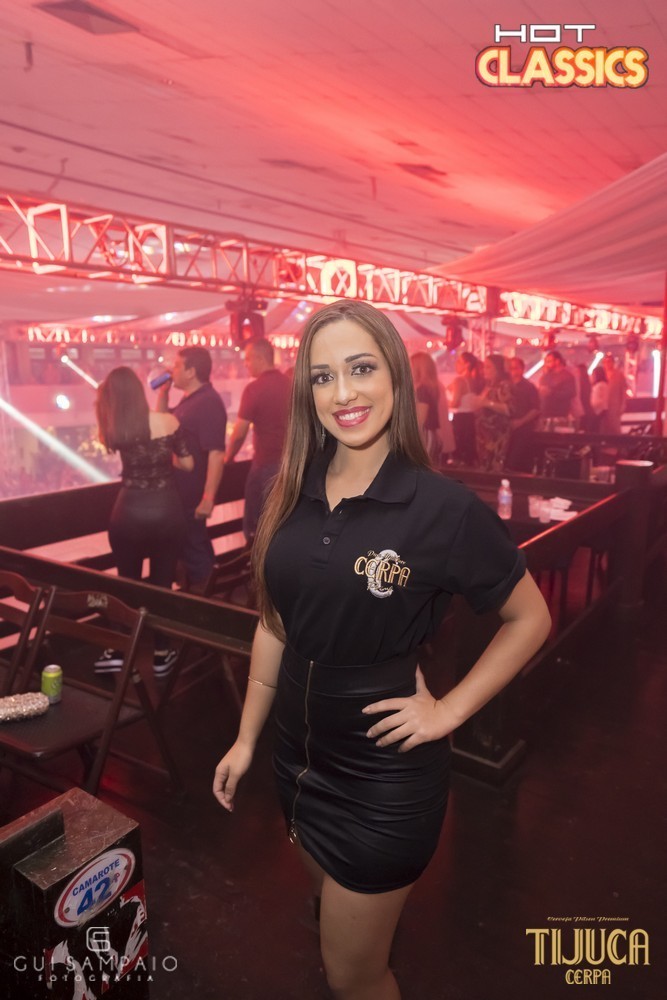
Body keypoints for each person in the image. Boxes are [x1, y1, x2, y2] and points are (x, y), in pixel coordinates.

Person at [213, 301, 551, 1000]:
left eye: (361, 368)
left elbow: (529, 617)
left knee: (354, 976)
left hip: (382, 777)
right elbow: (274, 625)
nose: (343, 392)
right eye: (323, 376)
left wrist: (447, 711)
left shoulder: (443, 509)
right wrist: (246, 740)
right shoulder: (289, 490)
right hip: (295, 759)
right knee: (328, 913)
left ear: (395, 376)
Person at [95, 366, 193, 675]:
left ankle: (121, 649)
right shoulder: (168, 421)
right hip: (166, 510)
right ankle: (162, 654)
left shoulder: (116, 426)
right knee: (161, 585)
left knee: (127, 583)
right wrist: (163, 456)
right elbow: (188, 464)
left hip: (128, 512)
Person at [157, 346, 227, 591]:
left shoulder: (208, 403)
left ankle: (208, 603)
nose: (172, 370)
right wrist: (163, 394)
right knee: (192, 547)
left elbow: (216, 453)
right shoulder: (190, 401)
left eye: (177, 366)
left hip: (193, 495)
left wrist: (208, 498)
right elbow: (162, 426)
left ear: (191, 371)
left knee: (195, 551)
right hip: (182, 494)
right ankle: (207, 597)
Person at [224, 338, 291, 542]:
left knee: (257, 528)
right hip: (291, 464)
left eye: (248, 359)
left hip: (266, 465)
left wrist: (228, 458)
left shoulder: (254, 389)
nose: (245, 364)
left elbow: (239, 434)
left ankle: (256, 560)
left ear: (260, 358)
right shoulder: (291, 385)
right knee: (285, 524)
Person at [409, 351, 455, 467]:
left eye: (410, 365)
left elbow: (420, 420)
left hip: (424, 435)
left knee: (421, 469)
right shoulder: (431, 387)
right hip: (430, 433)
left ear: (418, 368)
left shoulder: (422, 389)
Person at [475, 354, 513, 472]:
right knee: (484, 465)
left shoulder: (504, 385)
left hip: (496, 434)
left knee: (494, 466)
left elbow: (509, 409)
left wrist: (488, 403)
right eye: (484, 367)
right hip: (484, 433)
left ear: (498, 369)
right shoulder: (488, 385)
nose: (484, 370)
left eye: (488, 367)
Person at [447, 351, 483, 466]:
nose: (456, 364)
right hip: (471, 419)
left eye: (459, 362)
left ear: (467, 364)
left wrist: (443, 403)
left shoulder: (460, 380)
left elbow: (455, 403)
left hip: (461, 420)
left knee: (459, 450)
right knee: (469, 451)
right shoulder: (475, 381)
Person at [505, 357, 541, 472]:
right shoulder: (505, 386)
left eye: (516, 368)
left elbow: (535, 409)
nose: (513, 371)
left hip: (524, 429)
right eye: (511, 368)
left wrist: (521, 422)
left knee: (517, 461)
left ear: (522, 369)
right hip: (507, 428)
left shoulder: (529, 387)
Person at [538, 350, 576, 424]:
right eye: (546, 362)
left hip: (559, 414)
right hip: (545, 412)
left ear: (557, 361)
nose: (547, 364)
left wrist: (551, 392)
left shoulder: (567, 376)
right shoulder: (547, 375)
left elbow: (571, 393)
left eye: (549, 361)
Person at [601, 355, 628, 434]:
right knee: (603, 426)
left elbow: (623, 391)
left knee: (615, 426)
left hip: (615, 406)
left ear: (613, 363)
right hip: (602, 406)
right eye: (605, 362)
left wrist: (623, 405)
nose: (607, 364)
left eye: (609, 362)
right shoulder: (601, 375)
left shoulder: (619, 375)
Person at [590, 366, 610, 432]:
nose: (592, 376)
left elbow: (600, 400)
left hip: (599, 411)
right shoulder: (601, 385)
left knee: (595, 429)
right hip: (599, 410)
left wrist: (592, 407)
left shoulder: (601, 385)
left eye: (593, 374)